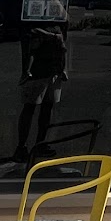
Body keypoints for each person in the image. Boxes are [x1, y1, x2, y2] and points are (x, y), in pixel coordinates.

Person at [14, 20, 68, 164]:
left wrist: (63, 68)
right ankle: (21, 147)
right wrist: (27, 70)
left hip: (54, 71)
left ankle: (40, 143)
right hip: (37, 72)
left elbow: (63, 46)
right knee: (30, 108)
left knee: (47, 108)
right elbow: (30, 37)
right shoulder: (34, 21)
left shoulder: (58, 21)